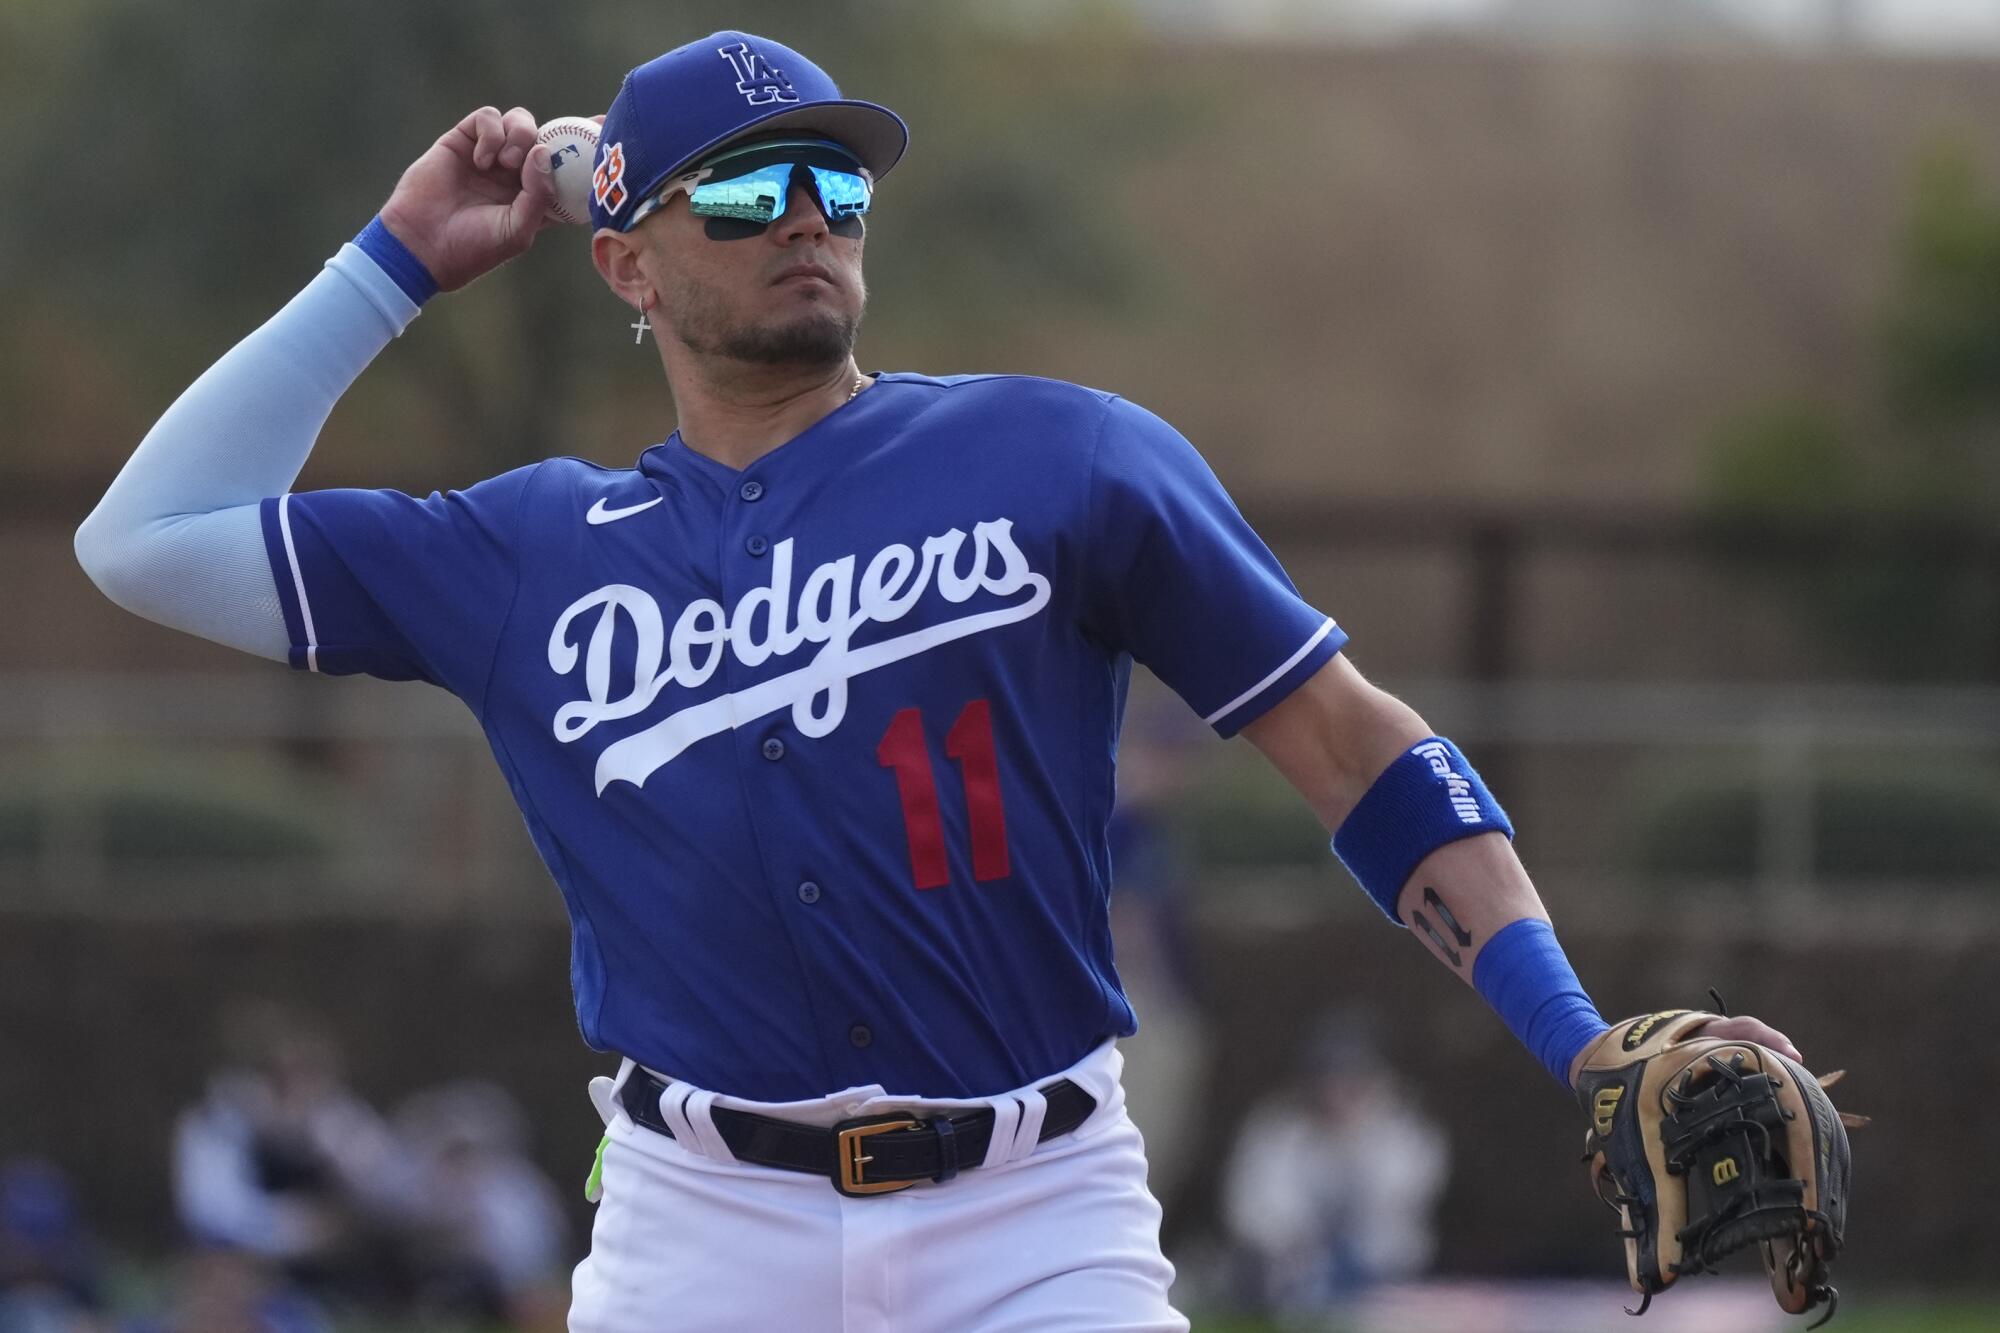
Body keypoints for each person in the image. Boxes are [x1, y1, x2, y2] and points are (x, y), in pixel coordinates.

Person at [73, 30, 1803, 1332]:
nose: (807, 217)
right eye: (747, 191)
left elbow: (1356, 753)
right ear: (627, 263)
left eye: (837, 182)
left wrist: (1575, 1040)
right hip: (697, 1228)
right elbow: (146, 536)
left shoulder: (1061, 458)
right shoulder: (529, 549)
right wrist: (390, 269)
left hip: (1035, 1215)